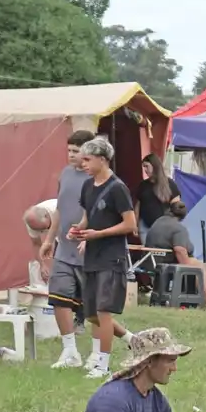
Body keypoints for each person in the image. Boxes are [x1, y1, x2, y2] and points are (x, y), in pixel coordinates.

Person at [45, 130, 129, 371]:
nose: (75, 158)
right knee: (72, 303)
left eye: (80, 154)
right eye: (70, 151)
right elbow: (70, 214)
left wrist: (93, 236)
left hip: (102, 255)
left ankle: (99, 359)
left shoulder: (110, 185)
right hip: (76, 250)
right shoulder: (76, 180)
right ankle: (71, 351)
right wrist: (63, 235)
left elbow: (122, 222)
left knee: (98, 310)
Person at [67, 136, 137, 380]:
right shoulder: (88, 186)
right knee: (92, 313)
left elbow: (130, 224)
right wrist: (79, 230)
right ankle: (132, 340)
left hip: (112, 257)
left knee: (104, 311)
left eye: (87, 159)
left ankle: (103, 364)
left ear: (103, 159)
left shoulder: (118, 188)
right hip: (92, 256)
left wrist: (99, 234)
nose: (82, 163)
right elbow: (88, 219)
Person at [144, 199, 206, 308]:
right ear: (184, 215)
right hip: (165, 262)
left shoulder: (157, 222)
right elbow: (180, 250)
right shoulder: (178, 228)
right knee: (200, 268)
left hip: (149, 260)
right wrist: (187, 266)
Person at [135, 153, 181, 243]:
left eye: (146, 166)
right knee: (148, 252)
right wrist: (135, 224)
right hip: (145, 226)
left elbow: (177, 208)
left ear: (154, 166)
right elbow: (138, 206)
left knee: (159, 253)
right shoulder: (143, 185)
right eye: (143, 167)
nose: (145, 170)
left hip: (163, 228)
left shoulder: (170, 184)